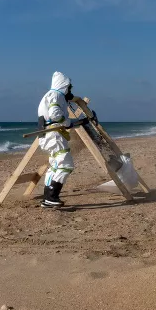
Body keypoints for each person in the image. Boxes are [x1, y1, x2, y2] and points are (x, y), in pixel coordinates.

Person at [37, 71, 88, 208]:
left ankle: (47, 198)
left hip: (48, 135)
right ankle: (52, 197)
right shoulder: (56, 95)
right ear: (63, 85)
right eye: (69, 87)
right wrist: (67, 122)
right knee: (66, 165)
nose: (70, 90)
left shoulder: (50, 95)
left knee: (54, 166)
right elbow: (55, 114)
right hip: (54, 135)